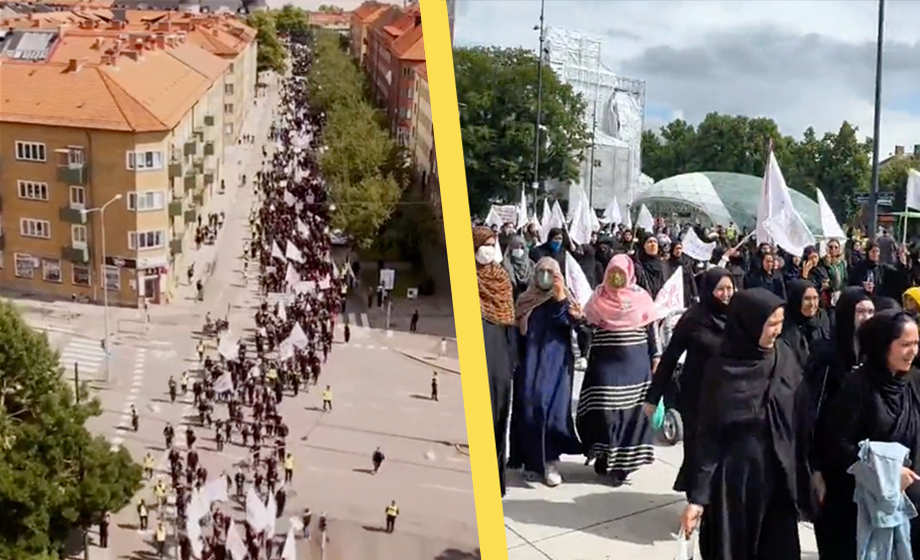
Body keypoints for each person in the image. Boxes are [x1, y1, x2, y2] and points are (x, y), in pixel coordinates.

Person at [680, 288, 801, 560]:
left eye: (781, 323)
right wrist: (698, 498)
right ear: (749, 324)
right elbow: (707, 436)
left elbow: (801, 413)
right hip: (733, 483)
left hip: (777, 477)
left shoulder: (784, 357)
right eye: (771, 324)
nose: (777, 331)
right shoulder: (720, 370)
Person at [813, 310, 920, 558]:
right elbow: (837, 443)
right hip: (867, 505)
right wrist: (889, 470)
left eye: (916, 343)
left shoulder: (914, 382)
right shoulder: (857, 386)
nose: (912, 351)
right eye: (905, 344)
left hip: (913, 500)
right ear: (884, 346)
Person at [644, 267, 734, 494]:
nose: (726, 294)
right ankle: (696, 499)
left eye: (729, 288)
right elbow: (670, 357)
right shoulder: (693, 319)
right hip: (697, 396)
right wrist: (653, 397)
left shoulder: (738, 317)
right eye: (720, 289)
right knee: (698, 451)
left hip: (729, 395)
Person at [577, 254, 659, 485]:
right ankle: (604, 454)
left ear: (630, 274)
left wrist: (657, 356)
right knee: (604, 411)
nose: (616, 277)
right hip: (605, 365)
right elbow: (586, 328)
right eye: (612, 272)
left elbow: (651, 330)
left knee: (631, 414)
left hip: (636, 365)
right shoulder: (598, 297)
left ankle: (623, 466)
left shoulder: (641, 297)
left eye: (621, 273)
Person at [508, 257, 583, 487]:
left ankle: (550, 460)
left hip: (556, 365)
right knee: (530, 409)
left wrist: (560, 298)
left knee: (552, 412)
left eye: (551, 272)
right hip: (529, 363)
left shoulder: (564, 298)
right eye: (542, 272)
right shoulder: (526, 298)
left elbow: (573, 324)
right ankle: (531, 463)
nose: (545, 277)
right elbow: (515, 330)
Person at [474, 225, 516, 497]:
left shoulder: (501, 278)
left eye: (492, 243)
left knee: (499, 417)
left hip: (500, 357)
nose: (488, 249)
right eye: (483, 244)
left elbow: (509, 322)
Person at [779, 279, 830, 368]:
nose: (812, 304)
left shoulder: (822, 318)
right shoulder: (785, 323)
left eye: (815, 298)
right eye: (807, 299)